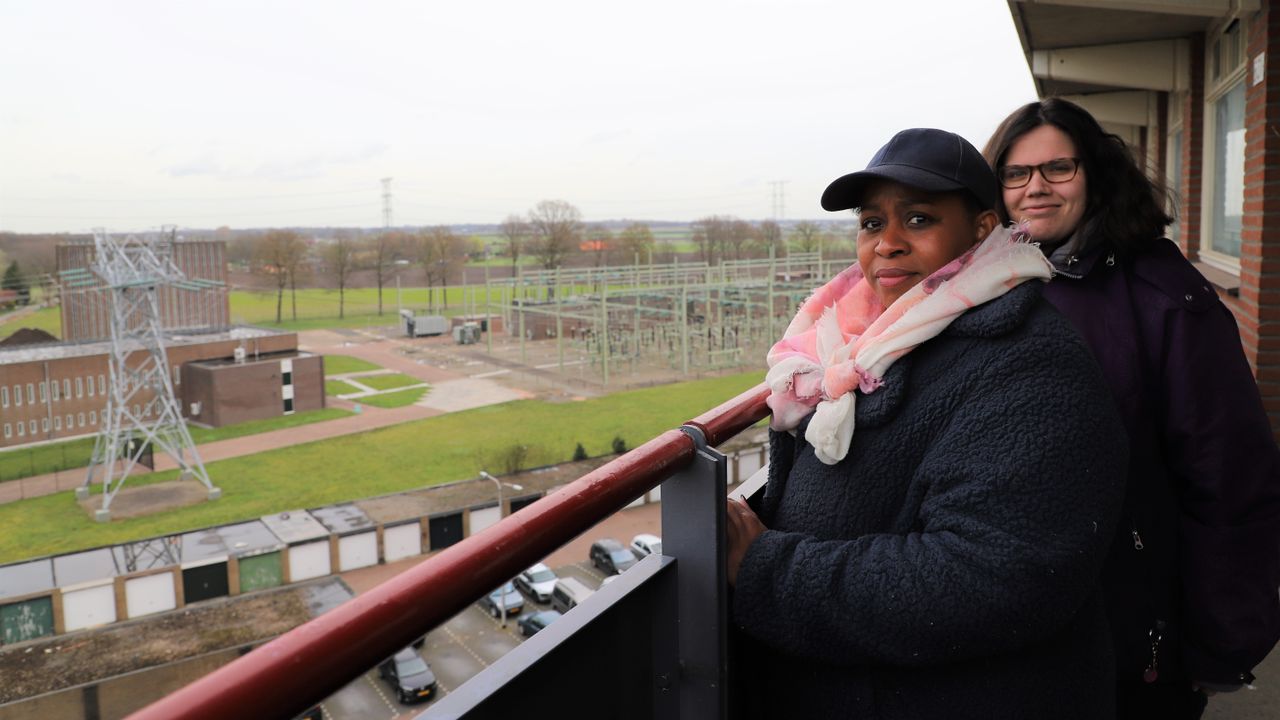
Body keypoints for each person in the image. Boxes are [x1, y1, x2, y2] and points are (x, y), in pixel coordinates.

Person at [726, 128, 1128, 719]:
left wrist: (763, 567)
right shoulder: (860, 343)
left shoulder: (1031, 365)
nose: (886, 243)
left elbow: (991, 577)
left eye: (917, 220)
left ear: (983, 229)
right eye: (871, 223)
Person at [982, 97, 1280, 719]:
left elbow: (1230, 477)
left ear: (1097, 174)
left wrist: (1223, 642)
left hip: (1131, 636)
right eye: (1016, 173)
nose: (1035, 187)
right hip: (1018, 625)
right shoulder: (984, 289)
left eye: (1057, 169)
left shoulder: (1167, 299)